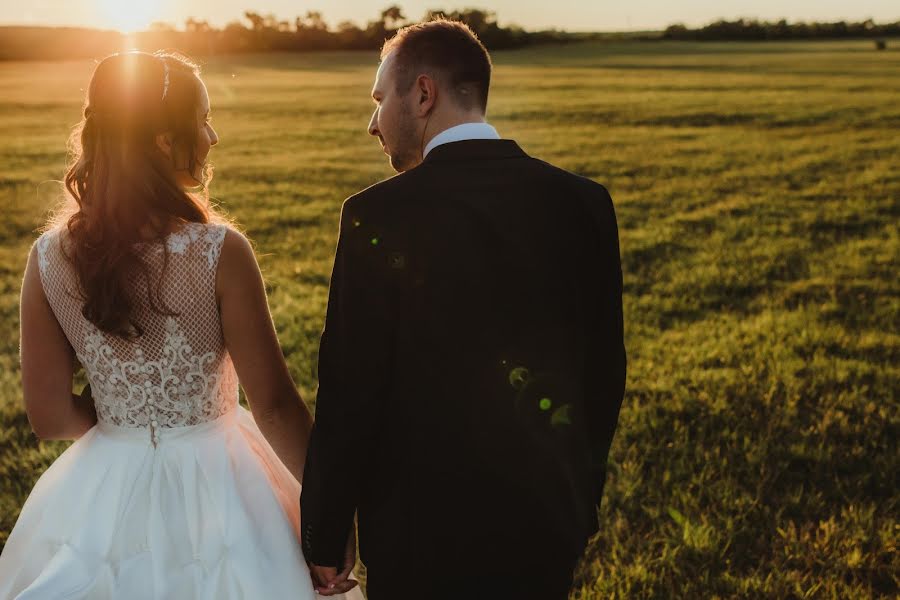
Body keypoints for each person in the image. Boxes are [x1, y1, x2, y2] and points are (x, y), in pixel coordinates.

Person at [0, 51, 361, 599]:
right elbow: (275, 405)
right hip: (222, 477)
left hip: (106, 481)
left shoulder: (49, 258)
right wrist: (327, 520)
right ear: (165, 142)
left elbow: (49, 417)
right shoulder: (219, 251)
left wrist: (128, 411)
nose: (212, 135)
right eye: (203, 119)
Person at [300, 19, 627, 599]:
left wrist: (325, 532)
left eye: (380, 98)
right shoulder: (583, 203)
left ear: (423, 93)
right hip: (546, 528)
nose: (372, 122)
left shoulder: (377, 216)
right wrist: (581, 501)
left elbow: (352, 391)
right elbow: (602, 374)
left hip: (418, 541)